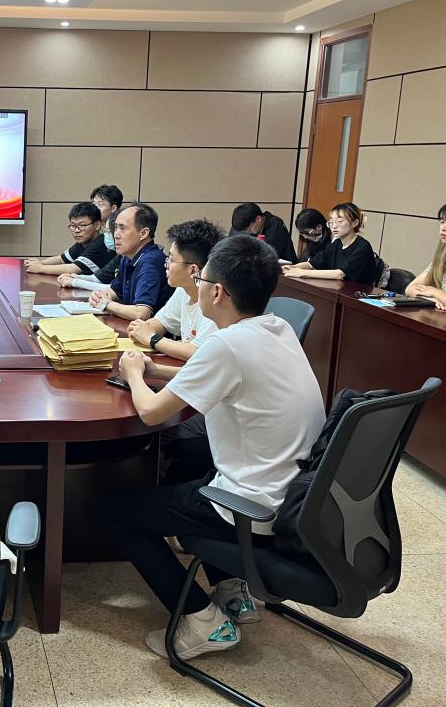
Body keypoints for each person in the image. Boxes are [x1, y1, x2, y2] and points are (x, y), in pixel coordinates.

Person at [104, 235, 325, 662]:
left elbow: (150, 413)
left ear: (217, 291)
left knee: (117, 511)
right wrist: (155, 369)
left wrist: (133, 373)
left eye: (202, 280)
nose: (199, 287)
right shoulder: (276, 328)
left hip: (250, 505)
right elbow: (219, 376)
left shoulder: (226, 345)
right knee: (189, 465)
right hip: (293, 496)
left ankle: (204, 621)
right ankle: (230, 589)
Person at [127, 219, 224, 361]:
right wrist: (141, 328)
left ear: (193, 270)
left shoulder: (216, 300)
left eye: (171, 260)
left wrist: (152, 338)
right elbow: (161, 322)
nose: (166, 265)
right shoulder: (184, 289)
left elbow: (198, 353)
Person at [89, 202, 170, 321]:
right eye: (115, 227)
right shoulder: (128, 256)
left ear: (143, 233)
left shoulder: (151, 261)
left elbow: (141, 313)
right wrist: (98, 296)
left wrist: (106, 304)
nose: (116, 235)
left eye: (122, 228)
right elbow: (115, 291)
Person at [282, 202, 376, 285]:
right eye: (331, 222)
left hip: (358, 294)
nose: (334, 226)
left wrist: (302, 273)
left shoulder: (362, 246)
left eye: (339, 221)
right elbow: (312, 263)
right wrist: (292, 267)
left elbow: (339, 274)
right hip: (339, 290)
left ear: (355, 223)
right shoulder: (337, 244)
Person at [24, 201, 112, 276]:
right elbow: (61, 259)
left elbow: (73, 269)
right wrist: (40, 263)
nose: (76, 230)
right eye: (73, 225)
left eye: (82, 225)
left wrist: (40, 268)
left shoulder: (101, 243)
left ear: (97, 225)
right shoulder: (83, 242)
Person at [58, 211, 121, 291]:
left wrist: (74, 282)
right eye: (105, 231)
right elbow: (96, 278)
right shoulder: (120, 257)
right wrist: (74, 277)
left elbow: (115, 290)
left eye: (108, 231)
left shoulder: (134, 260)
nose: (105, 235)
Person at [229, 202, 296, 262]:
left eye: (250, 229)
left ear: (258, 219)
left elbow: (267, 253)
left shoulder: (275, 224)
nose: (249, 232)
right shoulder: (253, 227)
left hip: (287, 268)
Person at [91, 184, 124, 251]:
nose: (95, 208)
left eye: (100, 204)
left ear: (113, 208)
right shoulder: (93, 224)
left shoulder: (120, 228)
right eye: (94, 204)